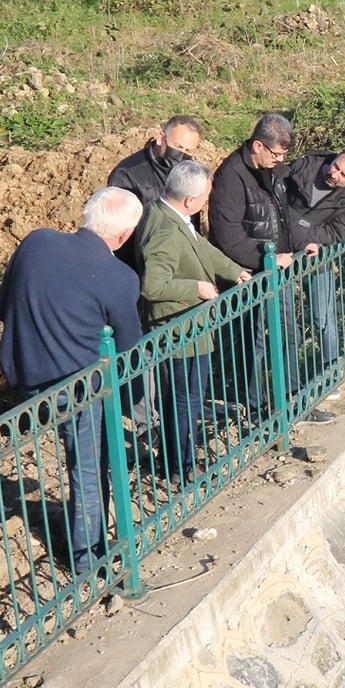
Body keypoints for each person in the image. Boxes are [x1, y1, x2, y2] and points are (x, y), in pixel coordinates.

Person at [0, 188, 145, 575]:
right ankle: (89, 559)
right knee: (89, 471)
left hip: (26, 375)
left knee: (82, 466)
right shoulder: (119, 277)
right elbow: (128, 348)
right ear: (124, 235)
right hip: (80, 388)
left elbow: (3, 304)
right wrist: (133, 398)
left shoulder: (37, 241)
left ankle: (88, 548)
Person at [133, 160, 251, 480]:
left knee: (184, 400)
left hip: (188, 326)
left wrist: (234, 270)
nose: (206, 202)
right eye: (205, 197)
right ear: (190, 200)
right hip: (180, 328)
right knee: (185, 401)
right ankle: (180, 467)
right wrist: (196, 288)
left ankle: (180, 462)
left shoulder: (170, 214)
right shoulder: (166, 231)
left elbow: (201, 249)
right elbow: (152, 286)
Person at [279, 148, 345, 422]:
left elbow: (337, 231)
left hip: (316, 254)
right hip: (282, 250)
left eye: (343, 174)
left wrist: (306, 238)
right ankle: (288, 389)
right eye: (335, 166)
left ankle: (331, 374)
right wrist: (298, 234)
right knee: (284, 322)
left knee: (323, 318)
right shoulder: (305, 165)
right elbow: (277, 199)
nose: (333, 173)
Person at [208, 112, 296, 275]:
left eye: (285, 154)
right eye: (276, 154)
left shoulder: (274, 168)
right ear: (258, 146)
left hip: (280, 266)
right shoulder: (231, 177)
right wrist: (267, 259)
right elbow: (228, 235)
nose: (281, 160)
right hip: (251, 274)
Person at [106, 116, 204, 211]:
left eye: (188, 150)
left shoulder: (190, 173)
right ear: (161, 139)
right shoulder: (127, 175)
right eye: (178, 146)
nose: (181, 154)